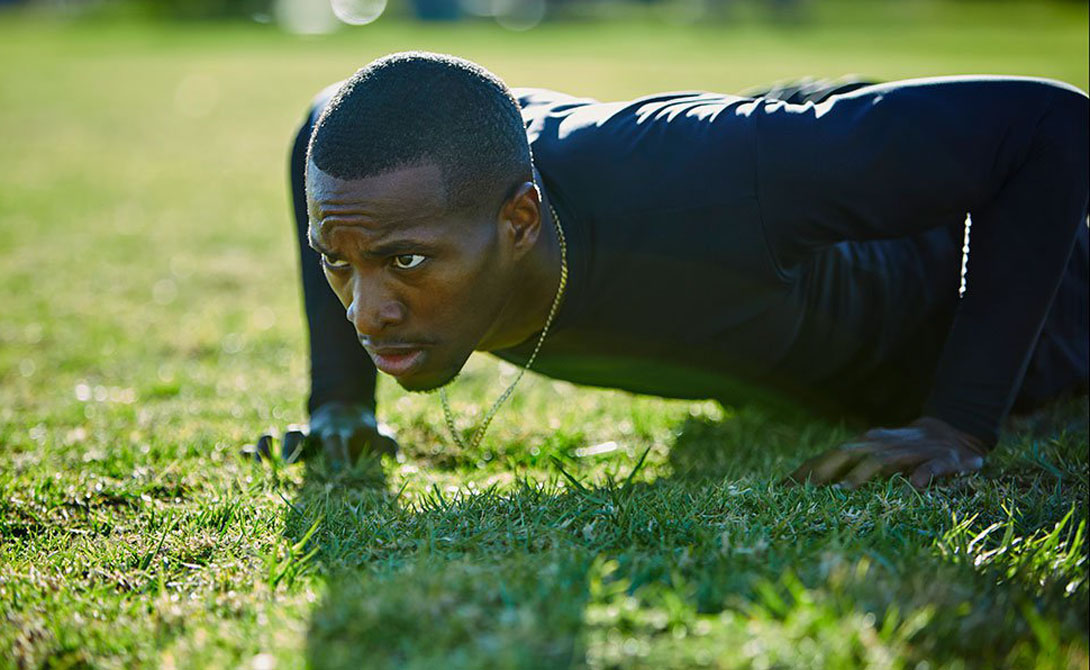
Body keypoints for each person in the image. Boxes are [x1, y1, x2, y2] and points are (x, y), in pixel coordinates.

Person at [272, 51, 1088, 489]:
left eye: (404, 262)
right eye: (337, 265)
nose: (366, 313)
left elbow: (1047, 126)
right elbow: (322, 123)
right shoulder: (388, 197)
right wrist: (340, 400)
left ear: (520, 221)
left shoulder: (711, 176)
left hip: (959, 282)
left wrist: (961, 420)